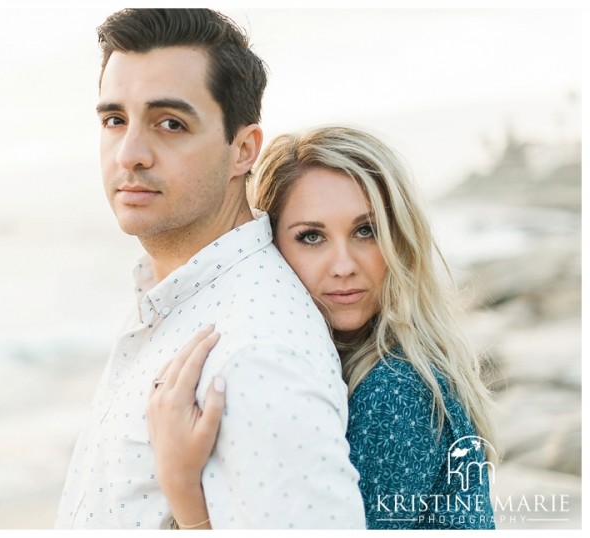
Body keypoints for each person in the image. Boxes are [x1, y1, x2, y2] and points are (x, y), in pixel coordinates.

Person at [54, 9, 366, 530]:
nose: (129, 154)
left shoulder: (258, 350)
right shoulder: (177, 302)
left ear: (243, 149)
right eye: (114, 120)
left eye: (170, 124)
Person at [147, 126, 498, 529]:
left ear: (399, 239)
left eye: (366, 231)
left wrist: (183, 489)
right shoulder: (321, 369)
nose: (344, 265)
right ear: (270, 249)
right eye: (312, 237)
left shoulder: (396, 391)